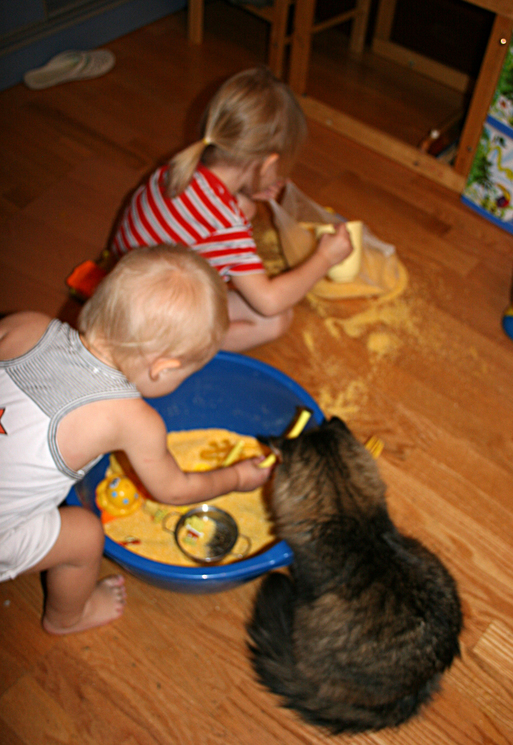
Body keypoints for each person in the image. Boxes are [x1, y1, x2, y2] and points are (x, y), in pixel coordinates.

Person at [0, 245, 272, 635]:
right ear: (163, 368)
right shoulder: (134, 419)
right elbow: (176, 490)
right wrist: (238, 477)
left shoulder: (26, 324)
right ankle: (67, 617)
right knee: (85, 535)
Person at [111, 66, 353, 352]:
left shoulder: (178, 168)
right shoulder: (225, 224)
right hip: (145, 327)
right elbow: (270, 300)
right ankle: (176, 353)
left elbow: (223, 212)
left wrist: (250, 191)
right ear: (267, 164)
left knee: (246, 209)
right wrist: (325, 257)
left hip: (120, 292)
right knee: (275, 320)